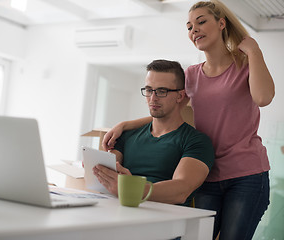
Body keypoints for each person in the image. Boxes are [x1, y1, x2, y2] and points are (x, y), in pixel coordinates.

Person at [102, 1, 275, 240]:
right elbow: (174, 112)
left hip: (246, 175)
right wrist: (127, 125)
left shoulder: (244, 64)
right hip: (208, 174)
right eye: (189, 26)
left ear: (221, 23)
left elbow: (264, 97)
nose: (194, 30)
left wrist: (255, 51)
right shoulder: (192, 75)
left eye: (201, 22)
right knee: (198, 237)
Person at [93, 59, 215, 207]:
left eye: (162, 91)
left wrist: (131, 187)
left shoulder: (196, 141)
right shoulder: (127, 135)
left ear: (180, 96)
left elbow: (181, 190)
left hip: (164, 224)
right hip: (119, 213)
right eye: (149, 90)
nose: (153, 98)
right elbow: (107, 175)